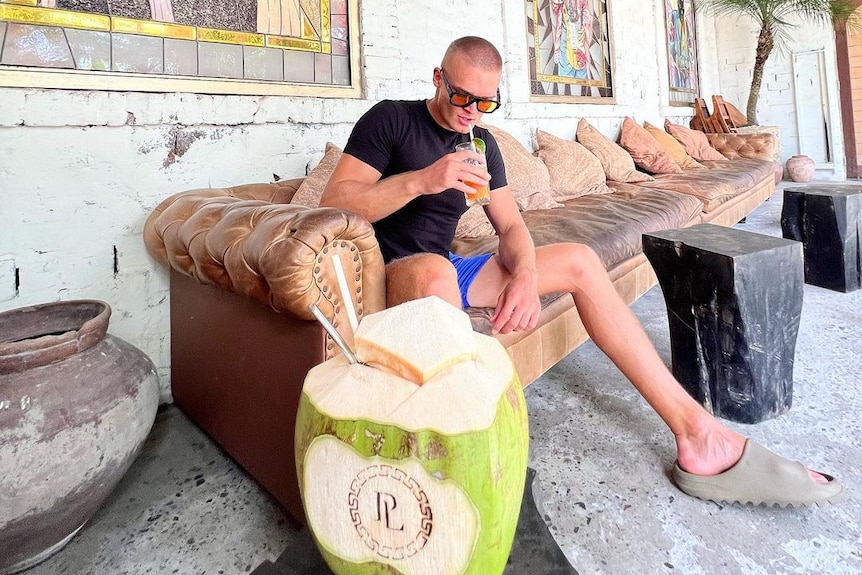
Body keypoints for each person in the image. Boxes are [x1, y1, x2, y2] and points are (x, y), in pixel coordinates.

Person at [320, 36, 845, 506]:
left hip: (450, 266)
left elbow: (513, 228)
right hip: (394, 270)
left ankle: (697, 434)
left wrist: (523, 277)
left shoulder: (483, 144)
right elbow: (337, 203)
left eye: (486, 102)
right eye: (461, 97)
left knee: (579, 260)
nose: (471, 112)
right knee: (435, 270)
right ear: (438, 79)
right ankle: (450, 461)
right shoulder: (390, 120)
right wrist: (421, 181)